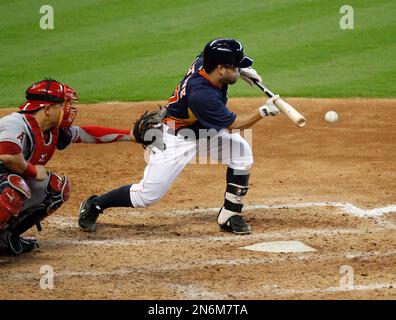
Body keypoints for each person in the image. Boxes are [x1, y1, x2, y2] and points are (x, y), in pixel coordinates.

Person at [78, 38, 280, 234]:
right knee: (147, 196)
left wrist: (242, 71)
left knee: (241, 154)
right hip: (175, 138)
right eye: (235, 66)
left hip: (204, 131)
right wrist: (263, 111)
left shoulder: (206, 63)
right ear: (220, 68)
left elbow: (207, 55)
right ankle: (96, 204)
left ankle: (229, 215)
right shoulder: (202, 95)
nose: (237, 69)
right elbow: (234, 125)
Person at [0, 78, 132, 255]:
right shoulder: (15, 124)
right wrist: (32, 170)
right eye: (61, 105)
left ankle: (5, 240)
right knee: (13, 189)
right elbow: (8, 155)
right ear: (47, 109)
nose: (67, 110)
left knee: (56, 188)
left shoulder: (51, 130)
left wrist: (130, 135)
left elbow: (86, 133)